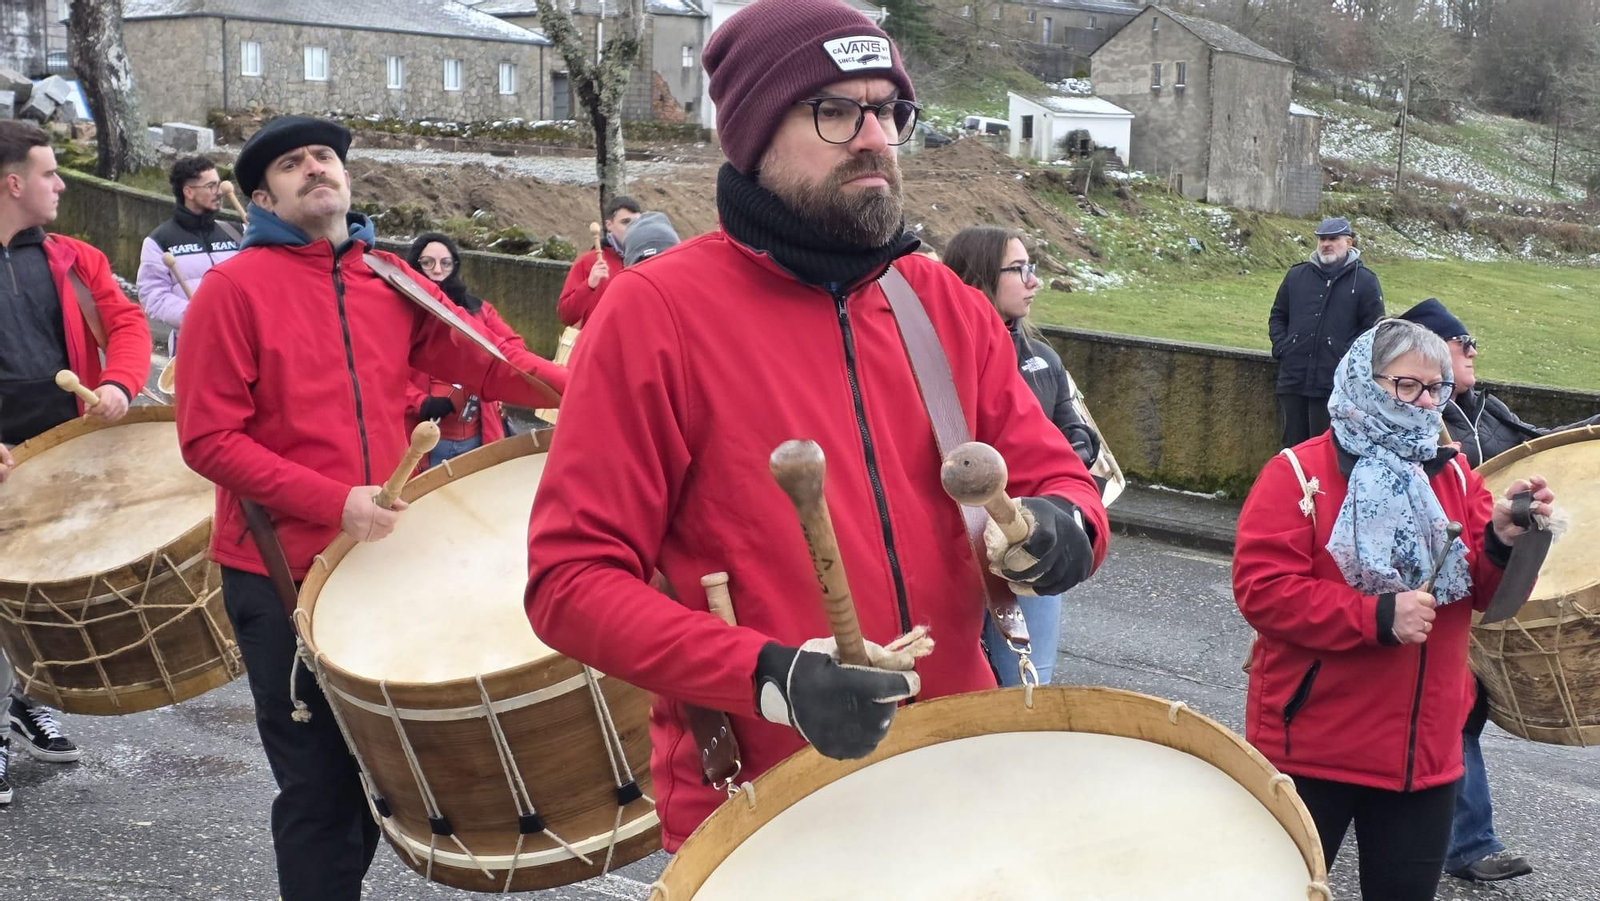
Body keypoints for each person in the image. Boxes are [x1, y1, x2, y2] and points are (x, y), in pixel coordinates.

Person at [525, 0, 1109, 853]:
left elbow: (1061, 480)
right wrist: (770, 678)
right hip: (767, 806)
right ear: (756, 133)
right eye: (835, 110)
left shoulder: (942, 303)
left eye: (889, 110)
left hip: (960, 773)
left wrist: (1064, 527)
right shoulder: (655, 315)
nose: (874, 136)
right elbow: (569, 581)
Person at [173, 115, 562, 901]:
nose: (315, 169)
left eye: (325, 158)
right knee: (319, 792)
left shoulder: (388, 277)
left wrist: (605, 392)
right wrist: (333, 500)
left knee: (385, 780)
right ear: (262, 195)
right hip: (280, 575)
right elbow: (208, 439)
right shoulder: (231, 290)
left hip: (379, 561)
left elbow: (496, 365)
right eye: (292, 164)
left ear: (347, 179)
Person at [1234, 319, 1554, 900]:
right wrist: (1377, 617)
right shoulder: (1298, 473)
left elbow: (1483, 594)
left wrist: (1504, 541)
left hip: (1425, 756)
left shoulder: (1452, 471)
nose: (1426, 403)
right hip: (1312, 748)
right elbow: (1262, 590)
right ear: (1364, 378)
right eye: (1408, 386)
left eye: (1437, 389)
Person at [1396, 296, 1577, 883]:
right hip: (1436, 594)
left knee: (1453, 717)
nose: (1473, 351)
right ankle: (1464, 842)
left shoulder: (1482, 408)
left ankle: (1453, 835)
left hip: (1489, 581)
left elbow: (1542, 444)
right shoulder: (1415, 428)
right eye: (1461, 341)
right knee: (1448, 714)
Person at [1, 119, 153, 780]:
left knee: (42, 594)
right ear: (13, 183)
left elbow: (127, 320)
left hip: (63, 450)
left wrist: (119, 380)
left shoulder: (74, 258)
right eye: (49, 173)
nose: (61, 183)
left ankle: (26, 702)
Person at [944, 225, 1103, 686]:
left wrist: (1073, 449)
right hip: (959, 551)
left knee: (1028, 684)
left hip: (1030, 542)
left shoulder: (1041, 356)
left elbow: (1075, 423)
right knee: (957, 685)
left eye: (1030, 268)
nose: (1033, 281)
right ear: (978, 276)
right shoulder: (940, 359)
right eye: (1018, 270)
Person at [403, 232, 567, 466]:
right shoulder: (402, 312)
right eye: (427, 262)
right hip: (422, 436)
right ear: (414, 264)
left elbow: (514, 348)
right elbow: (384, 375)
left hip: (477, 434)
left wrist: (483, 375)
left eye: (445, 263)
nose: (437, 270)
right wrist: (421, 402)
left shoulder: (478, 309)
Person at [1268, 217, 1385, 448]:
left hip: (1335, 386)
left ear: (1349, 242)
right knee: (1292, 449)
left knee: (1325, 450)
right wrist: (1283, 347)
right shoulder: (1297, 276)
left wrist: (1344, 357)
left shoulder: (1364, 281)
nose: (1326, 244)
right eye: (1322, 239)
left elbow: (1372, 329)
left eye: (1333, 239)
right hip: (1293, 380)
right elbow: (1278, 315)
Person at [136, 155, 242, 354]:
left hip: (241, 340)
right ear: (189, 192)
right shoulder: (160, 241)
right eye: (211, 186)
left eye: (219, 184)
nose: (219, 192)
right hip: (193, 345)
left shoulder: (237, 232)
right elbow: (152, 296)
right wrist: (194, 315)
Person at [555, 194, 639, 327]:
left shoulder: (646, 261)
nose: (632, 228)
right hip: (597, 345)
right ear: (609, 225)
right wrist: (589, 285)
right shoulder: (587, 262)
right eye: (625, 222)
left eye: (636, 223)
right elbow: (566, 315)